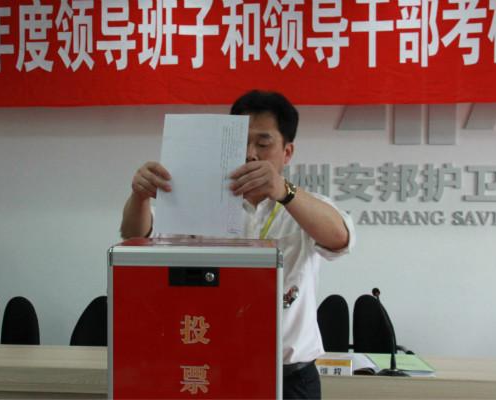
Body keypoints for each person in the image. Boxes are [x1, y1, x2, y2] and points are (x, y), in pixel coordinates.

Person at [120, 90, 355, 399]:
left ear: (287, 152)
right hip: (218, 368)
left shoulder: (304, 206)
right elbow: (135, 238)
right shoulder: (200, 203)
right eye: (241, 142)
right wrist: (139, 196)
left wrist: (284, 191)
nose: (250, 154)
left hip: (290, 377)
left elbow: (339, 239)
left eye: (263, 144)